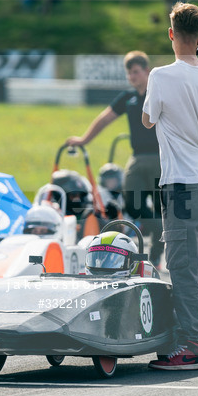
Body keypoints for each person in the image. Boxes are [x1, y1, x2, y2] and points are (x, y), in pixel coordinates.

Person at [142, 1, 198, 370]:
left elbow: (148, 120)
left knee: (182, 265)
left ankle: (190, 344)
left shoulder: (161, 76)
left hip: (179, 182)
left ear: (171, 34)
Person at [66, 51, 164, 265]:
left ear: (147, 71)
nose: (132, 77)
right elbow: (104, 119)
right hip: (137, 159)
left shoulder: (161, 93)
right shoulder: (128, 98)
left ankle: (156, 254)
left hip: (162, 158)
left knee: (160, 208)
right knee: (132, 203)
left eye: (136, 72)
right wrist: (84, 140)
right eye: (129, 73)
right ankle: (162, 229)